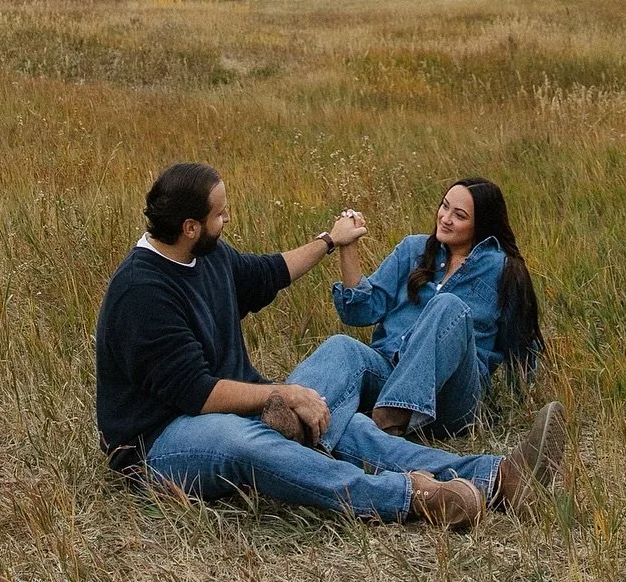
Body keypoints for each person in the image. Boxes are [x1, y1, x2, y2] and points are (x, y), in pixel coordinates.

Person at [95, 161, 565, 529]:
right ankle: (411, 497)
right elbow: (195, 394)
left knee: (334, 420)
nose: (229, 218)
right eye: (221, 213)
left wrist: (329, 240)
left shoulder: (209, 257)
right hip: (159, 442)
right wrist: (281, 393)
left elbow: (269, 273)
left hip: (228, 410)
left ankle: (497, 478)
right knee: (252, 442)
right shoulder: (143, 293)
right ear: (191, 227)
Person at [321, 178, 543, 438]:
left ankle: (391, 417)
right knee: (342, 346)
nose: (446, 218)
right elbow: (359, 313)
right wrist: (348, 246)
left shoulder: (502, 269)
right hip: (388, 374)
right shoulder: (412, 250)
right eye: (445, 206)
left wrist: (524, 404)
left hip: (452, 398)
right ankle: (295, 416)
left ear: (480, 225)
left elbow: (521, 346)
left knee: (448, 306)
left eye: (459, 215)